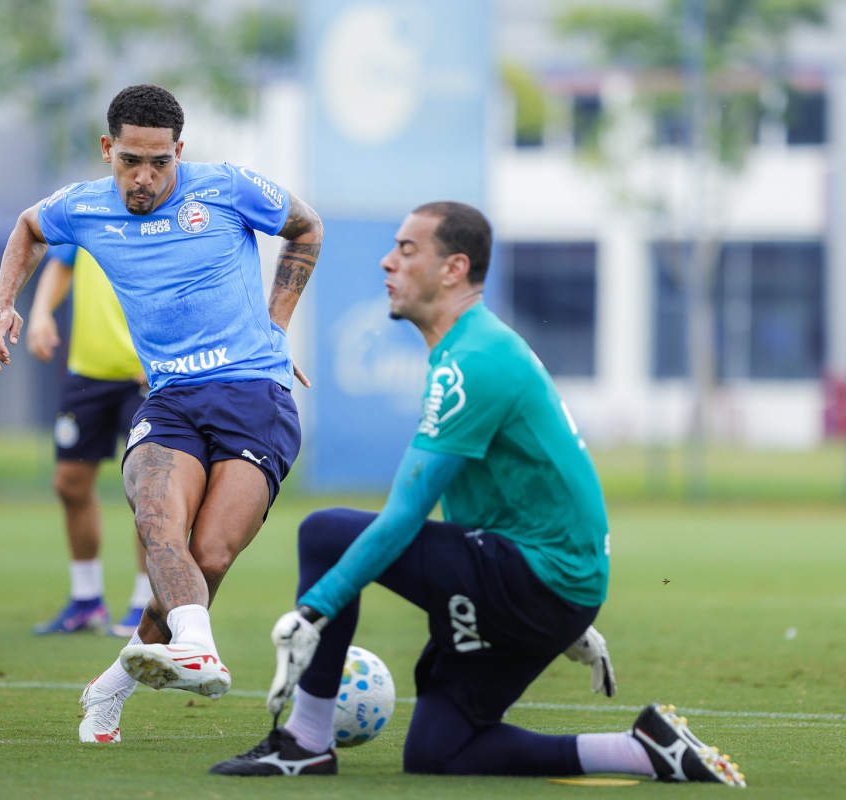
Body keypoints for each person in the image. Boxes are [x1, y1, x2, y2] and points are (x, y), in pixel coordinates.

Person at [209, 202, 746, 788]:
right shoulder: (477, 346)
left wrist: (314, 611)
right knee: (443, 750)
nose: (388, 262)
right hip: (554, 581)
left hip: (536, 579)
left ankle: (305, 742)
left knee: (326, 533)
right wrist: (569, 608)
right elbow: (516, 492)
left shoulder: (472, 362)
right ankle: (642, 750)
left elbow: (404, 518)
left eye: (407, 250)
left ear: (453, 268)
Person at [0, 84, 323, 743]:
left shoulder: (225, 187)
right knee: (158, 524)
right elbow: (27, 228)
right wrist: (3, 305)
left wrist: (277, 325)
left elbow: (306, 226)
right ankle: (196, 646)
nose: (145, 176)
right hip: (169, 401)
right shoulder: (82, 207)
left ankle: (110, 687)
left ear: (179, 153)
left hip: (255, 394)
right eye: (131, 160)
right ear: (108, 149)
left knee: (211, 553)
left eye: (160, 162)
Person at [25, 245, 152, 637]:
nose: (139, 178)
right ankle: (86, 600)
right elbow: (61, 265)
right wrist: (41, 313)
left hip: (143, 376)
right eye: (127, 174)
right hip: (87, 376)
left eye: (145, 174)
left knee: (150, 488)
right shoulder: (85, 207)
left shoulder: (165, 211)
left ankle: (148, 602)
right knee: (69, 484)